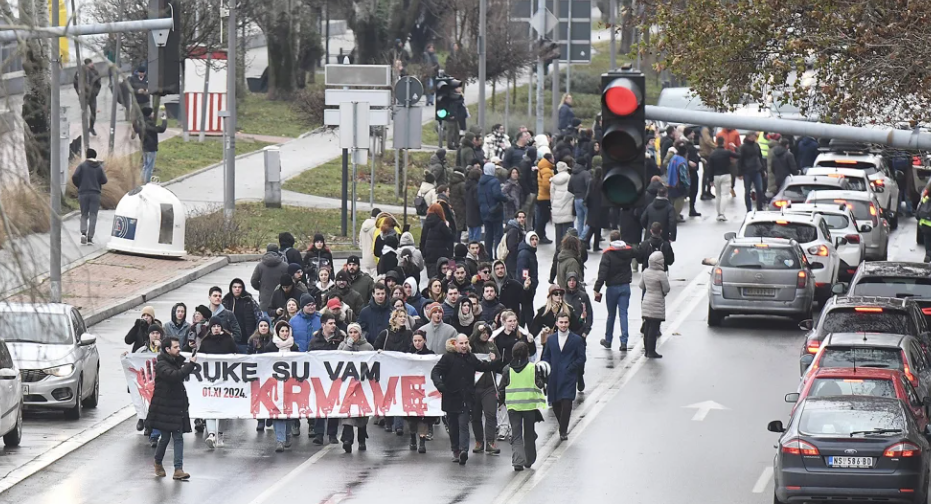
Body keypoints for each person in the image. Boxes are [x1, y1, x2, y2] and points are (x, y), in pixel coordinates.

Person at [431, 334, 502, 465]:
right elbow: (435, 372)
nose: (464, 346)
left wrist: (499, 361)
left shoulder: (471, 357)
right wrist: (440, 385)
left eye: (465, 343)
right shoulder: (447, 358)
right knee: (453, 427)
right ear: (455, 344)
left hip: (466, 397)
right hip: (451, 397)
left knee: (463, 424)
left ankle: (464, 450)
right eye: (461, 344)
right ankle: (456, 450)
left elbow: (483, 367)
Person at [147, 336, 196, 480]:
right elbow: (175, 376)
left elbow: (179, 366)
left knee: (178, 437)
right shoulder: (162, 365)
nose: (179, 349)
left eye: (179, 346)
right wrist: (191, 364)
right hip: (164, 407)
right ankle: (157, 461)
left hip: (177, 406)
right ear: (167, 350)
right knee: (165, 437)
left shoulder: (174, 361)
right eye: (175, 347)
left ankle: (178, 469)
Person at [499, 341, 547, 471]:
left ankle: (517, 462)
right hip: (529, 406)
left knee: (516, 434)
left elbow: (501, 388)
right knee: (529, 433)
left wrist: (500, 402)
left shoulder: (507, 369)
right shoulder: (533, 368)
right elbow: (540, 384)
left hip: (513, 408)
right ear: (527, 354)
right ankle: (529, 459)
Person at [541, 313, 585, 441]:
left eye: (566, 322)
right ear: (556, 323)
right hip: (553, 377)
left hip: (569, 377)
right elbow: (546, 356)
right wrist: (547, 368)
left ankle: (563, 430)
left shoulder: (576, 340)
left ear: (569, 323)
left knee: (567, 402)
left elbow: (581, 358)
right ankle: (562, 424)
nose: (563, 325)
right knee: (555, 403)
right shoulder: (551, 339)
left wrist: (571, 368)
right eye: (561, 322)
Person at [593, 231, 638, 351]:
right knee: (623, 314)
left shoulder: (608, 254)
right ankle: (624, 342)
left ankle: (608, 340)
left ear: (611, 241)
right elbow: (638, 252)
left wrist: (597, 288)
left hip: (612, 288)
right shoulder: (628, 251)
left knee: (611, 315)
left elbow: (602, 273)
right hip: (625, 286)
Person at [198, 317, 239, 449]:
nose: (216, 328)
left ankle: (220, 433)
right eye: (213, 326)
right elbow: (199, 359)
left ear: (221, 328)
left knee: (222, 409)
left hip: (225, 380)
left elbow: (235, 357)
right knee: (210, 407)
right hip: (209, 381)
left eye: (218, 326)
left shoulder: (228, 340)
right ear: (210, 328)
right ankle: (211, 434)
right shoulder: (206, 342)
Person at [308, 314, 346, 445]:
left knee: (333, 405)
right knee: (319, 405)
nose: (333, 325)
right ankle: (319, 434)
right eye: (330, 323)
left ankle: (332, 434)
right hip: (320, 378)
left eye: (334, 323)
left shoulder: (340, 339)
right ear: (323, 325)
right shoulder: (315, 341)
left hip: (335, 378)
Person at [338, 323, 373, 453]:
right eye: (350, 332)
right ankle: (347, 439)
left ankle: (362, 439)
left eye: (355, 332)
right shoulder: (343, 345)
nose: (353, 335)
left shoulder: (367, 346)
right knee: (348, 412)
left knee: (361, 413)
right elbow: (339, 358)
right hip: (347, 383)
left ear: (360, 333)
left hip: (363, 384)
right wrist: (349, 345)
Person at [263, 320, 298, 450]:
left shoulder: (294, 347)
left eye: (286, 331)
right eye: (282, 331)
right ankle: (280, 440)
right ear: (278, 332)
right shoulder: (270, 347)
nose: (284, 333)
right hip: (275, 386)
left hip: (290, 385)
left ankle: (287, 435)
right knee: (277, 412)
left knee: (288, 412)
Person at [469, 323, 501, 454]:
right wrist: (479, 329)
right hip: (475, 386)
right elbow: (471, 340)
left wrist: (495, 359)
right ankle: (479, 441)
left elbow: (499, 363)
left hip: (489, 386)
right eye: (483, 332)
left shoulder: (492, 346)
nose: (485, 335)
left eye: (487, 332)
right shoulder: (472, 346)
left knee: (490, 414)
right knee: (476, 416)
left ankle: (490, 442)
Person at [405, 330, 435, 453]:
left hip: (424, 389)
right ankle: (412, 437)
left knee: (423, 416)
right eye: (415, 341)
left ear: (425, 341)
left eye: (420, 340)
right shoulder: (407, 354)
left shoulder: (430, 354)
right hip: (411, 389)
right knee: (412, 416)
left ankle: (422, 441)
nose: (417, 343)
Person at [71, 148, 107, 245]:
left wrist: (79, 185)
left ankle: (83, 233)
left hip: (83, 193)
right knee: (93, 215)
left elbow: (74, 176)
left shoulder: (82, 166)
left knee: (84, 214)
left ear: (87, 156)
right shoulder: (99, 167)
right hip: (95, 193)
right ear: (95, 156)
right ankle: (90, 237)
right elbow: (104, 180)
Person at [640, 251, 670, 359]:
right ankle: (651, 350)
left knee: (647, 326)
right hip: (657, 302)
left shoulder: (645, 272)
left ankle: (647, 350)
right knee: (654, 327)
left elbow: (641, 285)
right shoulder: (661, 274)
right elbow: (666, 288)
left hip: (647, 300)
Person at [222, 278, 260, 353]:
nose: (237, 289)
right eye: (235, 287)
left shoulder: (249, 301)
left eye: (239, 287)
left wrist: (255, 335)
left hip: (247, 339)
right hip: (230, 339)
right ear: (231, 288)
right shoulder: (225, 301)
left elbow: (259, 317)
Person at [133, 106, 168, 184]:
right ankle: (146, 183)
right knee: (149, 167)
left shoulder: (141, 123)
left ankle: (141, 181)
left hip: (144, 147)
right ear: (149, 114)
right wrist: (164, 120)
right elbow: (161, 129)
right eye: (151, 113)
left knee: (145, 165)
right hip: (151, 147)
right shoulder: (149, 124)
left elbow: (136, 128)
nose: (152, 114)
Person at [708, 137, 740, 221]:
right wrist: (735, 147)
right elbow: (739, 155)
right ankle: (722, 214)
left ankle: (718, 213)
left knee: (718, 195)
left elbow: (710, 168)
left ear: (716, 143)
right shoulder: (727, 152)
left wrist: (710, 180)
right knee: (724, 195)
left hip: (716, 176)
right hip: (726, 174)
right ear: (724, 143)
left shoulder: (712, 154)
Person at [251, 244, 289, 311]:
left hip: (265, 300)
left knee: (266, 320)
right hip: (281, 300)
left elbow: (253, 281)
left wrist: (261, 288)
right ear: (277, 251)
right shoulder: (285, 266)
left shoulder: (260, 266)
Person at [421, 204, 455, 279]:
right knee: (444, 278)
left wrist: (424, 253)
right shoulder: (441, 224)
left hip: (429, 256)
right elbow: (450, 238)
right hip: (442, 255)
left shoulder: (426, 224)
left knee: (432, 279)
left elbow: (422, 239)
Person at [516, 232, 540, 328]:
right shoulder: (525, 254)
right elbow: (523, 271)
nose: (534, 242)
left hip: (530, 285)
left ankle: (520, 330)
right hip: (526, 287)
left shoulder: (530, 251)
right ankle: (531, 332)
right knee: (528, 311)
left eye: (536, 239)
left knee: (525, 312)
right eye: (532, 239)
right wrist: (528, 284)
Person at [73, 59, 101, 135]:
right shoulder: (80, 72)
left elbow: (98, 83)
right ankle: (85, 129)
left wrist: (95, 92)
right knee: (84, 112)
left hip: (92, 96)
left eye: (92, 63)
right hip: (83, 96)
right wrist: (79, 93)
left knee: (93, 112)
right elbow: (75, 82)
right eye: (90, 64)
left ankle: (91, 127)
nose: (92, 64)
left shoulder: (94, 71)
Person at [738, 131, 765, 212]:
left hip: (757, 170)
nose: (754, 137)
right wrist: (740, 173)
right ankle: (748, 209)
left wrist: (762, 169)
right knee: (747, 191)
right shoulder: (743, 147)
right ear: (748, 137)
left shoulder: (756, 145)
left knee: (759, 190)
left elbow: (760, 157)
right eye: (753, 136)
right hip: (747, 171)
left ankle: (759, 208)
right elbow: (740, 160)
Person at [550, 161, 574, 246]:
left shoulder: (554, 179)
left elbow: (552, 195)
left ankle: (558, 248)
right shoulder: (570, 178)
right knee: (567, 231)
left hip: (557, 206)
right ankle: (567, 247)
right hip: (567, 205)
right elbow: (572, 191)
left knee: (558, 230)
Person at [568, 161, 591, 240]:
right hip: (584, 199)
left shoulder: (573, 174)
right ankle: (582, 237)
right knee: (590, 220)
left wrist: (575, 193)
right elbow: (589, 186)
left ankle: (579, 238)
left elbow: (569, 188)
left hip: (576, 199)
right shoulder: (585, 174)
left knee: (580, 220)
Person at [535, 154, 555, 243]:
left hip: (541, 196)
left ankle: (540, 234)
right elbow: (546, 184)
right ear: (549, 159)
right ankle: (541, 235)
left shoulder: (542, 168)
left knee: (541, 218)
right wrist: (553, 188)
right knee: (544, 218)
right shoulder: (547, 170)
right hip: (545, 198)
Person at [359, 209, 381, 275]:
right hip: (374, 258)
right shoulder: (376, 228)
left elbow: (360, 243)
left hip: (365, 257)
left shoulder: (363, 227)